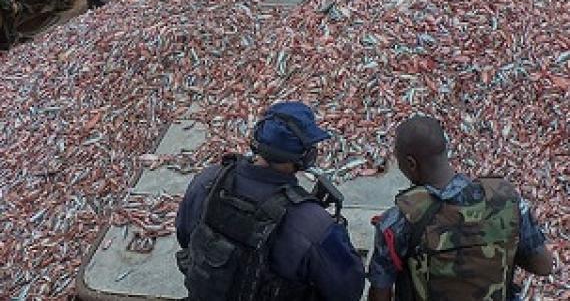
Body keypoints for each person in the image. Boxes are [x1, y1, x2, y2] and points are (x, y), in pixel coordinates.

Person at [176, 101, 365, 301]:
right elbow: (347, 290)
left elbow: (186, 236)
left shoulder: (209, 181)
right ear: (305, 156)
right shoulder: (313, 224)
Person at [368, 115, 553, 301]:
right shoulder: (504, 201)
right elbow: (543, 266)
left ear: (411, 164)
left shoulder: (398, 221)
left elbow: (380, 294)